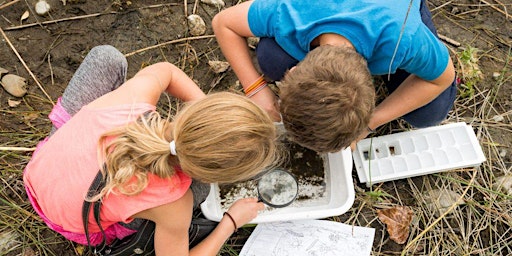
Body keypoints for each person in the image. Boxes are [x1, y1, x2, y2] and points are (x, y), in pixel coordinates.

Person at [23, 45, 280, 255]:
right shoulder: (175, 203)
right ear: (217, 175)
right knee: (199, 191)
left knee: (106, 58)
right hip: (68, 219)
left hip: (43, 170)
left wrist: (210, 124)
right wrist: (230, 222)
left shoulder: (135, 98)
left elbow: (167, 71)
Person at [212, 0, 457, 153]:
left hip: (395, 9)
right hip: (322, 10)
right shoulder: (289, 10)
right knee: (269, 58)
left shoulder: (405, 39)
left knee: (429, 113)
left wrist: (371, 123)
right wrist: (256, 90)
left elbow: (443, 77)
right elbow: (223, 22)